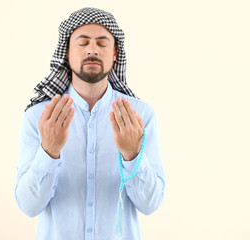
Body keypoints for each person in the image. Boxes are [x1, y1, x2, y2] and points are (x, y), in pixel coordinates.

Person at [15, 7, 165, 240]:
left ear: (115, 53)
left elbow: (151, 205)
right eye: (83, 43)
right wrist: (49, 151)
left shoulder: (141, 117)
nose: (92, 50)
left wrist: (132, 155)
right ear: (67, 52)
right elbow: (28, 206)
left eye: (102, 43)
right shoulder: (39, 118)